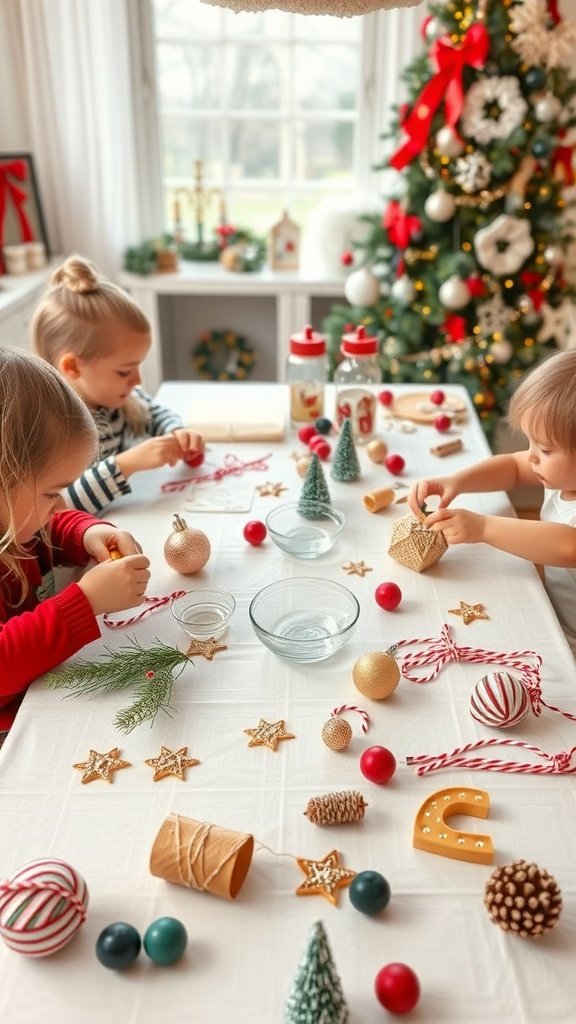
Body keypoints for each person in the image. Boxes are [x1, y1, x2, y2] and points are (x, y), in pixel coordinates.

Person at [0, 348, 151, 748]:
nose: (59, 504)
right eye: (52, 492)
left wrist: (87, 533)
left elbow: (50, 524)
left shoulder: (17, 519)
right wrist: (84, 603)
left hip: (45, 690)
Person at [408, 350, 576, 655]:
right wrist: (456, 481)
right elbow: (512, 468)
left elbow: (569, 546)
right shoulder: (563, 476)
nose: (531, 456)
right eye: (530, 442)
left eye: (546, 449)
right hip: (559, 614)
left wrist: (483, 527)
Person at [32, 254, 204, 515]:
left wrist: (177, 431)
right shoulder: (51, 429)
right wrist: (126, 464)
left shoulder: (116, 399)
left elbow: (154, 413)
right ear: (73, 367)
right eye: (124, 371)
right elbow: (58, 510)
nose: (137, 380)